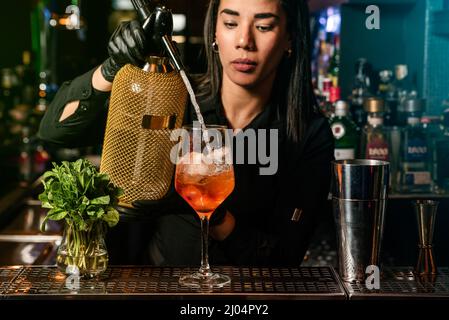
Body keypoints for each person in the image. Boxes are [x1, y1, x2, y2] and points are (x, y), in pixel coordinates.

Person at [38, 0, 334, 266]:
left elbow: (285, 259)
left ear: (290, 37)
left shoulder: (308, 134)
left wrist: (212, 212)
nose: (244, 41)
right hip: (159, 289)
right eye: (230, 23)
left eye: (264, 26)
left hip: (249, 297)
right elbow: (55, 132)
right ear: (215, 33)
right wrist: (111, 68)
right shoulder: (172, 98)